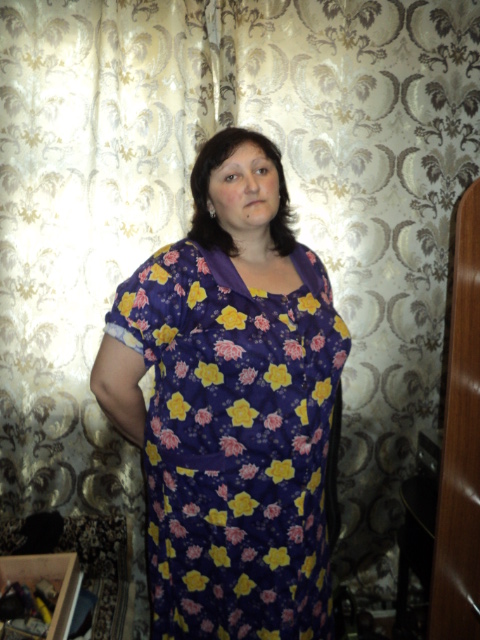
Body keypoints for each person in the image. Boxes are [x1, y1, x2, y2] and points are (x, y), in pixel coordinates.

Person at [90, 127, 351, 639]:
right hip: (213, 512)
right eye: (231, 176)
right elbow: (108, 383)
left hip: (300, 506)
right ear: (208, 201)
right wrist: (166, 450)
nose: (252, 184)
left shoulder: (309, 266)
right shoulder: (176, 274)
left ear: (279, 183)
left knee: (293, 617)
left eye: (262, 169)